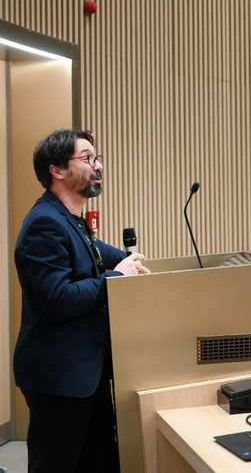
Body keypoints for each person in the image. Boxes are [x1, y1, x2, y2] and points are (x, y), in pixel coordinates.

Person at [14, 129, 150, 473]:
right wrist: (116, 277)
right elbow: (59, 299)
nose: (98, 165)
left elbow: (102, 252)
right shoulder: (44, 223)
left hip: (87, 373)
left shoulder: (71, 220)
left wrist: (136, 264)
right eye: (87, 158)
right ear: (57, 170)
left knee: (99, 462)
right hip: (59, 378)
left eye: (96, 158)